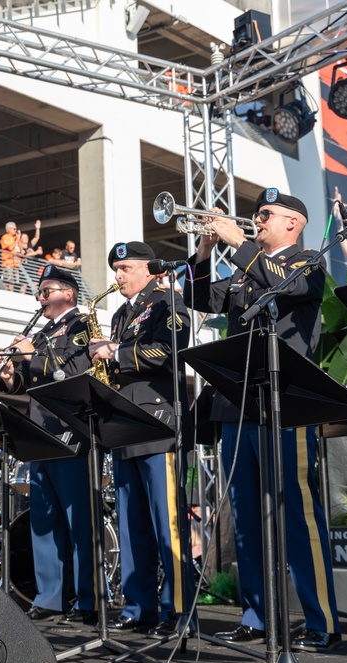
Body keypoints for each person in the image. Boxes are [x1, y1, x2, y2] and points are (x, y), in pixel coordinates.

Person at [184, 188, 342, 652]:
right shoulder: (243, 269)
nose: (257, 220)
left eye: (266, 214)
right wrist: (205, 250)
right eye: (255, 215)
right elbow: (198, 297)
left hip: (285, 402)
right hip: (237, 406)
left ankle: (322, 622)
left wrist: (237, 243)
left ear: (294, 222)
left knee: (297, 513)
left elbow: (290, 287)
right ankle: (257, 616)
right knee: (247, 520)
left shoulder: (308, 261)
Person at [88, 241, 193, 637]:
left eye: (126, 268)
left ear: (150, 269)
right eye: (116, 269)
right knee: (132, 525)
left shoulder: (167, 301)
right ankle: (139, 606)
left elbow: (169, 350)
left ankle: (180, 612)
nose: (118, 276)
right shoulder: (119, 313)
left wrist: (115, 352)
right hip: (125, 424)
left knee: (168, 525)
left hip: (158, 421)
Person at [0, 264, 97, 624]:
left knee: (78, 521)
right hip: (41, 434)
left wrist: (30, 355)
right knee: (44, 521)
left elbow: (72, 372)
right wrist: (9, 377)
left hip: (70, 433)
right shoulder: (43, 332)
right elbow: (29, 384)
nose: (40, 297)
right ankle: (49, 597)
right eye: (39, 291)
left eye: (47, 290)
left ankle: (87, 601)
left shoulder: (81, 325)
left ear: (68, 292)